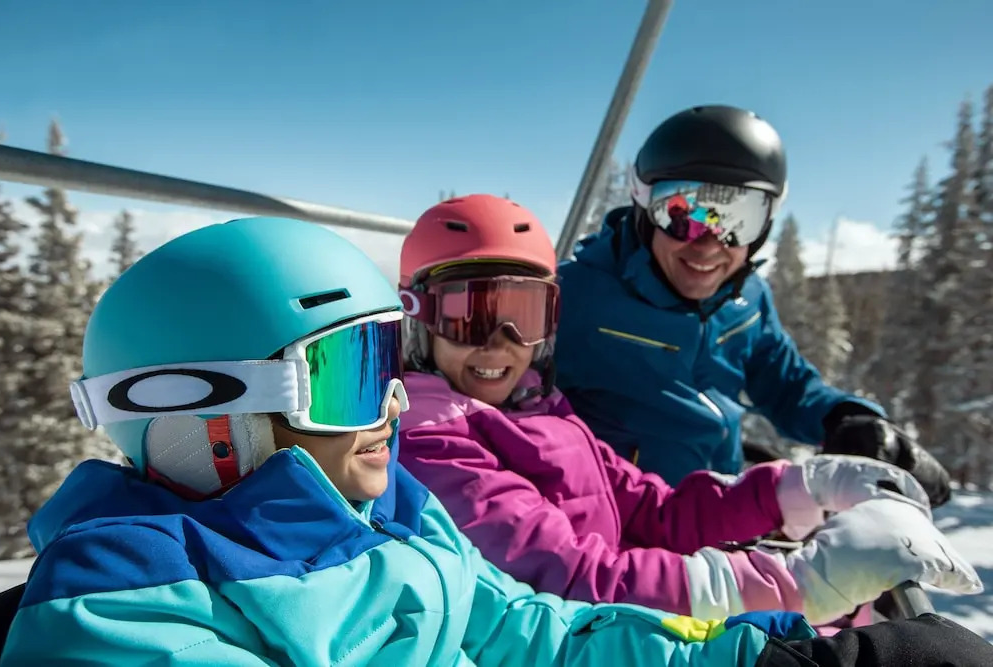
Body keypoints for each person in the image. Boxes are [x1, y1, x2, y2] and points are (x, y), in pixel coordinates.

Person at [0, 215, 855, 667]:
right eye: (349, 372)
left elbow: (540, 631)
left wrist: (772, 655)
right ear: (205, 414)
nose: (396, 400)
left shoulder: (396, 507)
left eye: (387, 358)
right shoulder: (125, 602)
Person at [395, 195, 981, 641]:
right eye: (469, 316)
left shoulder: (539, 407)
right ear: (419, 317)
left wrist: (796, 488)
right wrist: (800, 584)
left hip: (626, 624)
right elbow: (572, 579)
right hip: (588, 638)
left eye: (523, 315)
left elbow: (652, 509)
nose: (500, 343)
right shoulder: (435, 445)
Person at [550, 104, 951, 508]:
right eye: (682, 215)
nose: (708, 245)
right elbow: (515, 412)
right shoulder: (573, 297)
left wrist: (845, 418)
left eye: (736, 221)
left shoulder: (747, 298)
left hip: (725, 512)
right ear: (644, 209)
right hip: (618, 524)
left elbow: (784, 382)